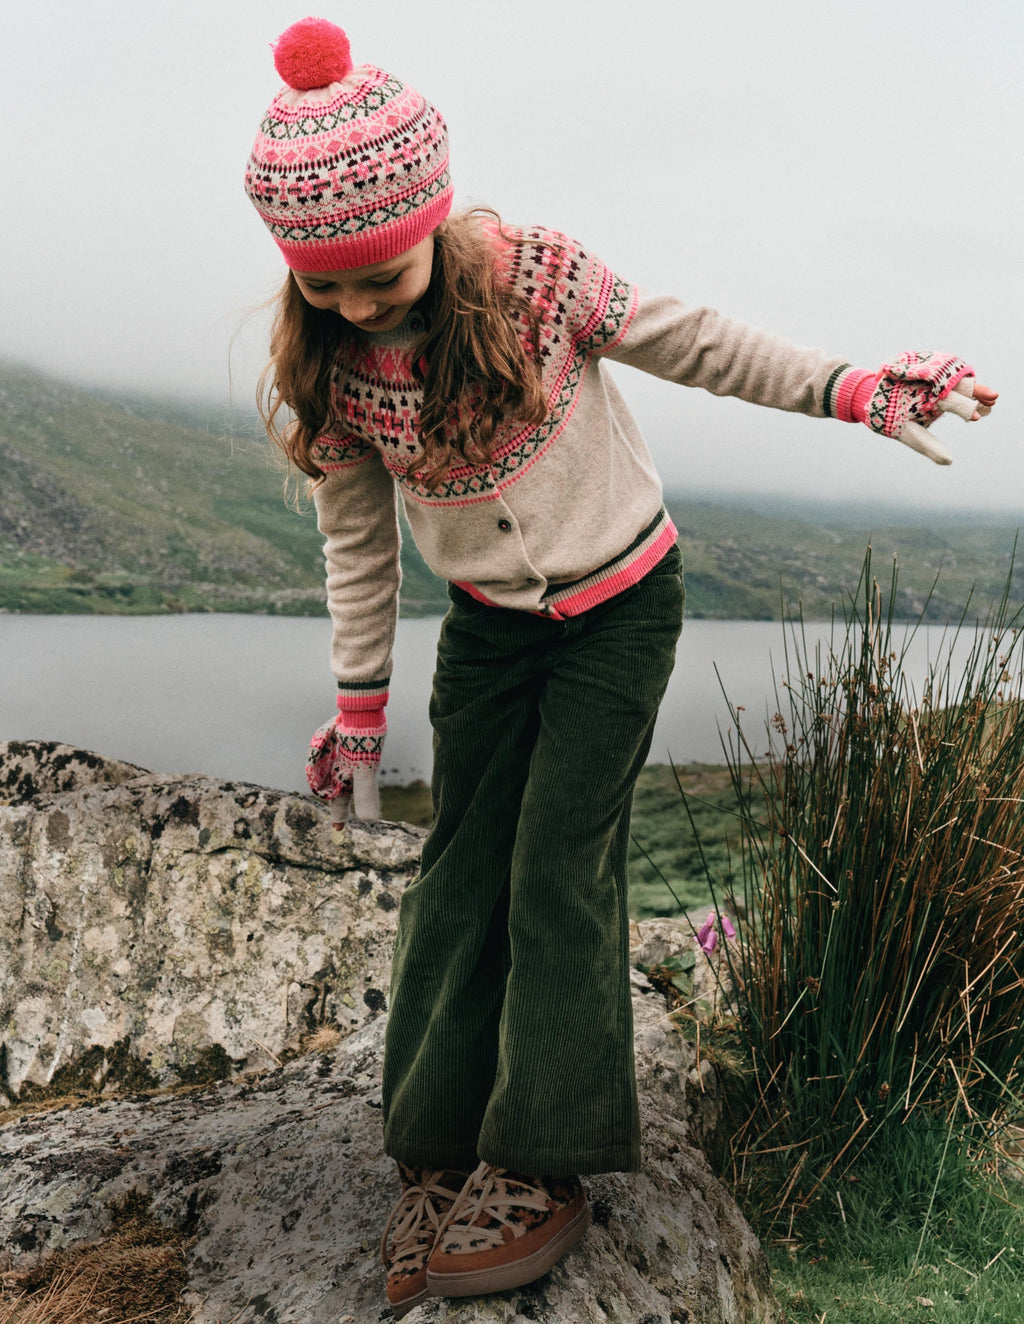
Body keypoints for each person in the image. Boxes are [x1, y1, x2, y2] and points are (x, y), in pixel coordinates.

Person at [244, 17, 997, 1319]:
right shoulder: (338, 371)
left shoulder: (537, 282)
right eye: (327, 285)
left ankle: (542, 1161)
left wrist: (854, 388)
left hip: (622, 609)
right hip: (489, 628)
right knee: (458, 863)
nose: (359, 305)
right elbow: (357, 545)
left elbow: (693, 338)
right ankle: (436, 1146)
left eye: (380, 275)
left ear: (430, 218)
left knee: (558, 859)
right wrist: (358, 709)